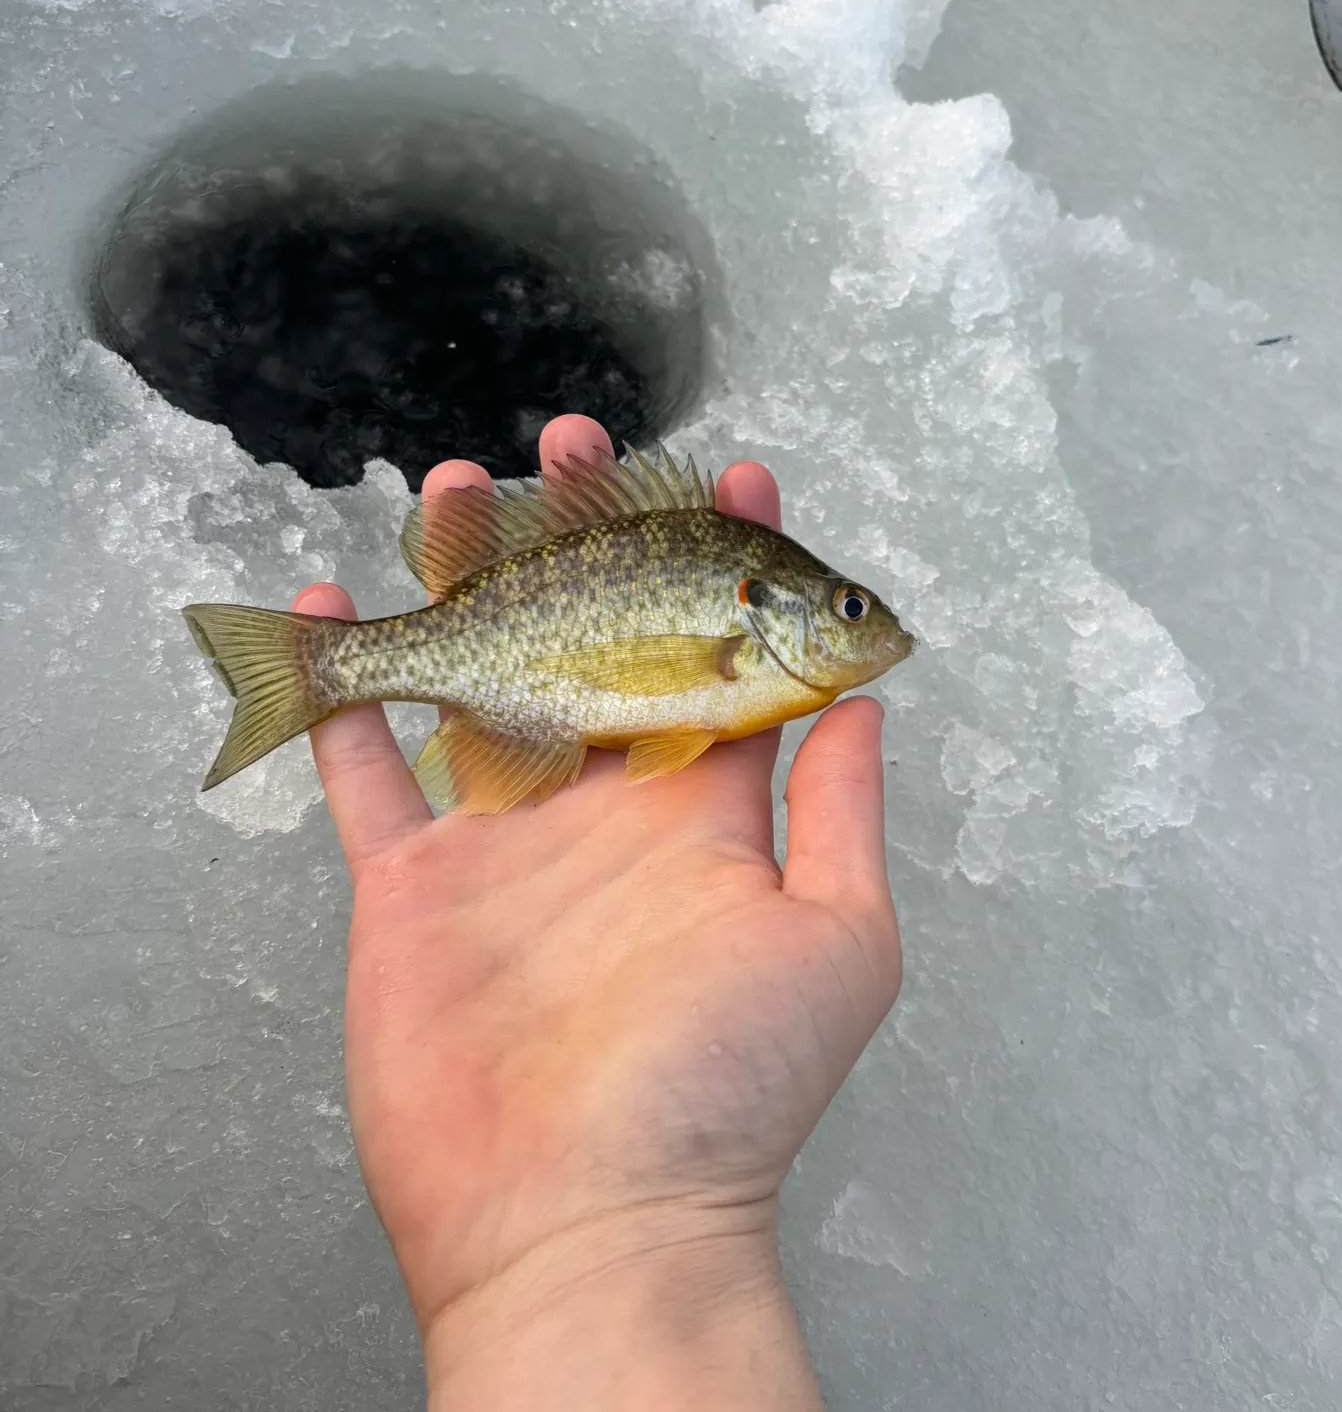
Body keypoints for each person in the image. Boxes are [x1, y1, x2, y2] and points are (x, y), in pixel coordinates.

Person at [290, 413, 903, 1410]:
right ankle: (315, 670)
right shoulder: (732, 642)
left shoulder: (744, 644)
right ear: (766, 611)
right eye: (845, 609)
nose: (869, 630)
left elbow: (670, 715)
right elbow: (670, 698)